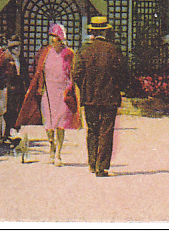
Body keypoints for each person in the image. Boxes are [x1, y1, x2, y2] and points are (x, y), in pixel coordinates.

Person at [17, 23, 81, 166]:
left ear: (61, 38)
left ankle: (58, 153)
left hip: (63, 92)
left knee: (61, 123)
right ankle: (51, 145)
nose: (53, 39)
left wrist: (71, 87)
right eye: (51, 36)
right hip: (48, 92)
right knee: (49, 124)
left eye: (55, 37)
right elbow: (38, 71)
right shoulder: (44, 52)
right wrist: (39, 87)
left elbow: (73, 72)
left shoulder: (69, 53)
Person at [71, 16, 127, 177]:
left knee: (92, 130)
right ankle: (101, 167)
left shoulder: (84, 50)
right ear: (106, 31)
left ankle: (92, 163)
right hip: (109, 97)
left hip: (89, 97)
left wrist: (85, 86)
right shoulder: (114, 50)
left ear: (92, 32)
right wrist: (118, 88)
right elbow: (122, 74)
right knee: (106, 130)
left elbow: (77, 73)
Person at [0, 38, 25, 144]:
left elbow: (24, 74)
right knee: (9, 109)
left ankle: (14, 130)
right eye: (15, 47)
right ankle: (7, 132)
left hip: (18, 87)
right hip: (9, 87)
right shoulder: (7, 59)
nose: (18, 49)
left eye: (19, 47)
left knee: (17, 109)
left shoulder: (20, 60)